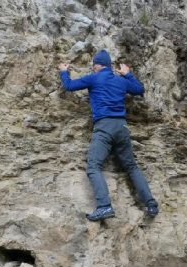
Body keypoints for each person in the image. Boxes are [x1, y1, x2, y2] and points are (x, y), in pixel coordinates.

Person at [59, 49, 159, 221]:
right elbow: (139, 89)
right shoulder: (121, 81)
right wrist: (128, 75)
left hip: (104, 126)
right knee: (131, 167)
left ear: (97, 65)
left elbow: (69, 86)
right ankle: (151, 204)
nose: (93, 68)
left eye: (94, 65)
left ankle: (104, 206)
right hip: (122, 127)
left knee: (93, 166)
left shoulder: (93, 78)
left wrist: (63, 72)